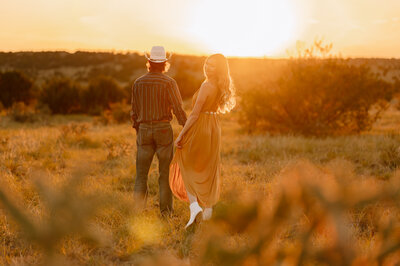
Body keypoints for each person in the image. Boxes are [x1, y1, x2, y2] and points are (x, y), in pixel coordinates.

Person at [169, 54, 236, 228]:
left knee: (185, 161)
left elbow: (194, 114)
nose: (207, 67)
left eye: (213, 66)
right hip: (214, 127)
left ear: (218, 69)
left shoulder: (206, 85)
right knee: (208, 167)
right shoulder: (220, 85)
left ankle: (194, 207)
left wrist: (181, 134)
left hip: (201, 126)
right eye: (207, 63)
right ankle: (208, 212)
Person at [131, 46, 187, 215]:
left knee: (141, 175)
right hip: (163, 130)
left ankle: (138, 214)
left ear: (149, 62)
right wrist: (187, 129)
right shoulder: (169, 83)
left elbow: (134, 111)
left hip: (144, 130)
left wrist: (139, 130)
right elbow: (178, 109)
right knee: (164, 174)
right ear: (165, 64)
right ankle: (166, 213)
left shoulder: (138, 83)